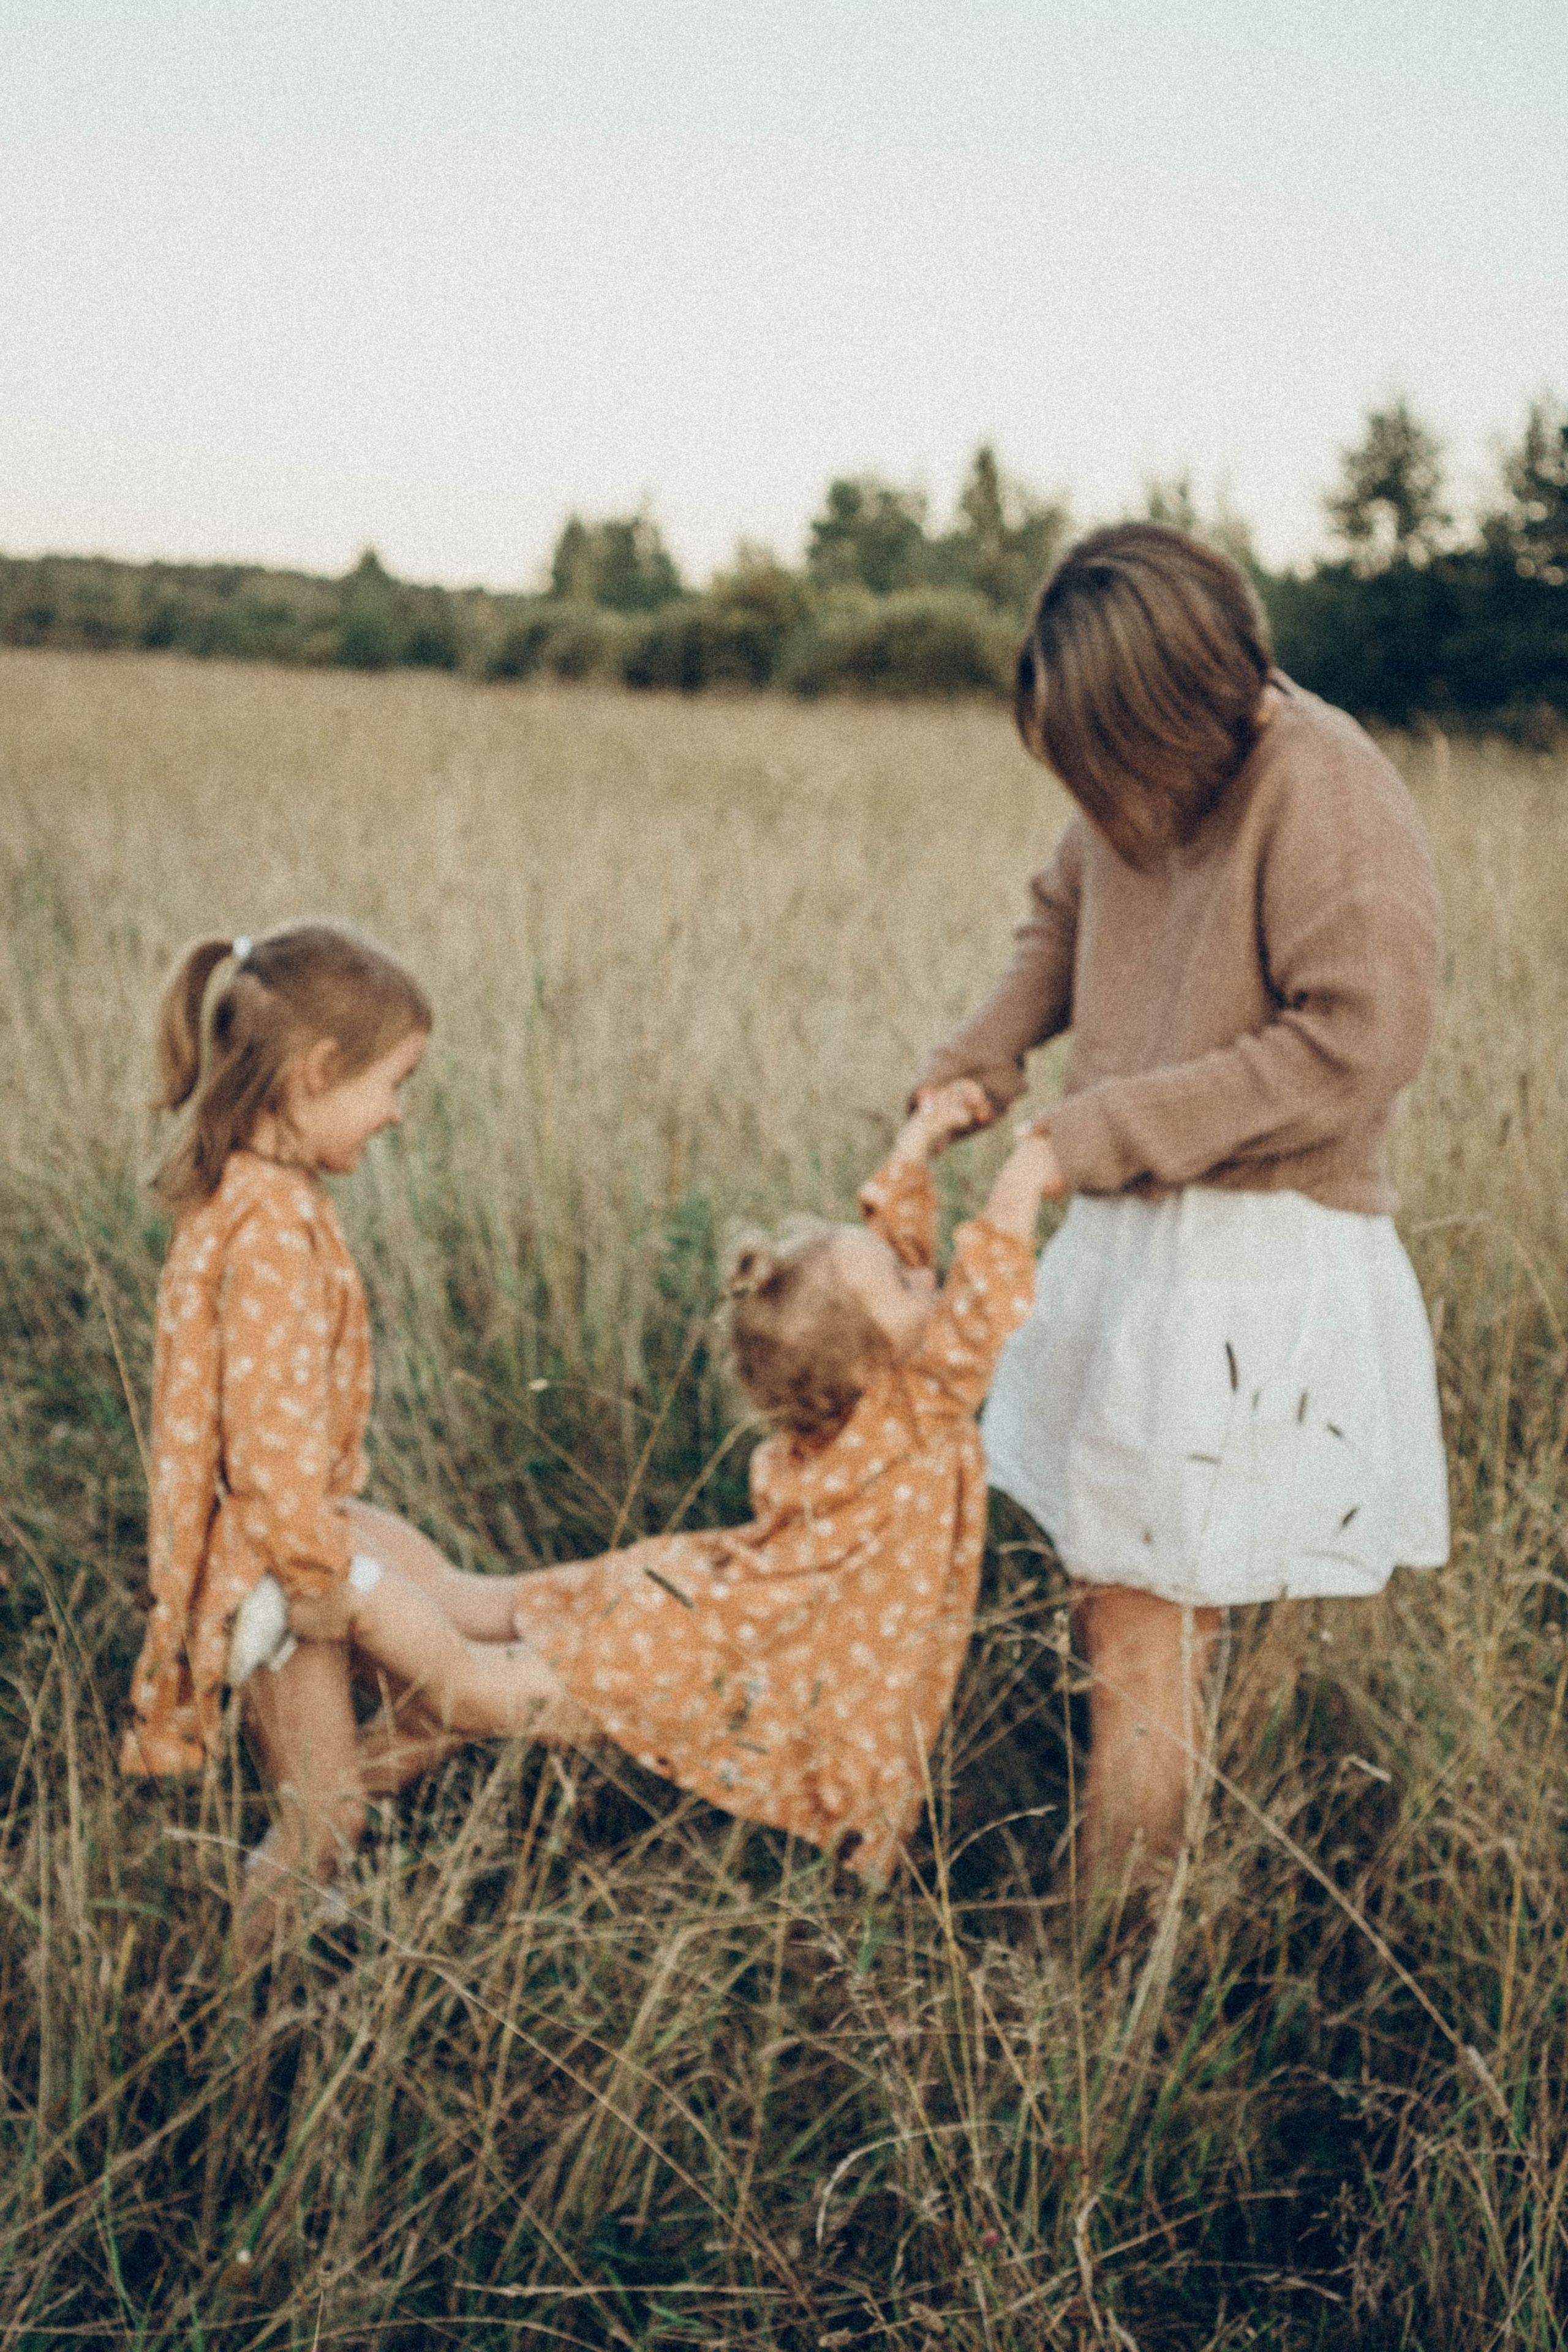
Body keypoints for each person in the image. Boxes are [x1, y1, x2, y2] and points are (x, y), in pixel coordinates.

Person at [913, 522, 1449, 1887]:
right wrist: (980, 1063)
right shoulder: (1134, 768)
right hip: (1137, 1226)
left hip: (1253, 1253)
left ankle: (1108, 1970)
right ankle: (1135, 1913)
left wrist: (1081, 1136)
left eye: (1109, 764)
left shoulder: (1321, 788)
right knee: (1123, 1599)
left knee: (1137, 1629)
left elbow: (1356, 1040)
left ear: (1184, 708)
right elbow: (1062, 913)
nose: (1098, 796)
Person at [290, 1083, 1058, 1883]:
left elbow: (895, 1260)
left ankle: (331, 1550)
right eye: (903, 1287)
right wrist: (1027, 1168)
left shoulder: (878, 1400)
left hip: (698, 1596)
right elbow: (981, 1297)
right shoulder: (915, 1409)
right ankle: (344, 1585)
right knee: (476, 1692)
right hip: (714, 1644)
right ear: (869, 1361)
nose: (923, 1278)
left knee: (472, 1607)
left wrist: (921, 1143)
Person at [119, 923, 552, 1948]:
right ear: (316, 1074)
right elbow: (266, 1446)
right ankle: (231, 2025)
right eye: (393, 1082)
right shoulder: (270, 1228)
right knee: (323, 1819)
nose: (398, 1111)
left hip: (289, 1541)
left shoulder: (256, 1198)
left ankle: (306, 1938)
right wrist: (318, 1585)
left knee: (359, 1778)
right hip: (276, 1565)